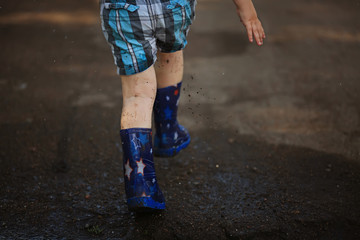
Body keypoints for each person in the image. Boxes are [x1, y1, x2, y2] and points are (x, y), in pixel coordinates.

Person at [100, 0, 265, 212]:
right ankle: (168, 133)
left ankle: (141, 186)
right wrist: (247, 9)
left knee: (137, 96)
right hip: (172, 5)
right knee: (170, 52)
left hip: (124, 9)